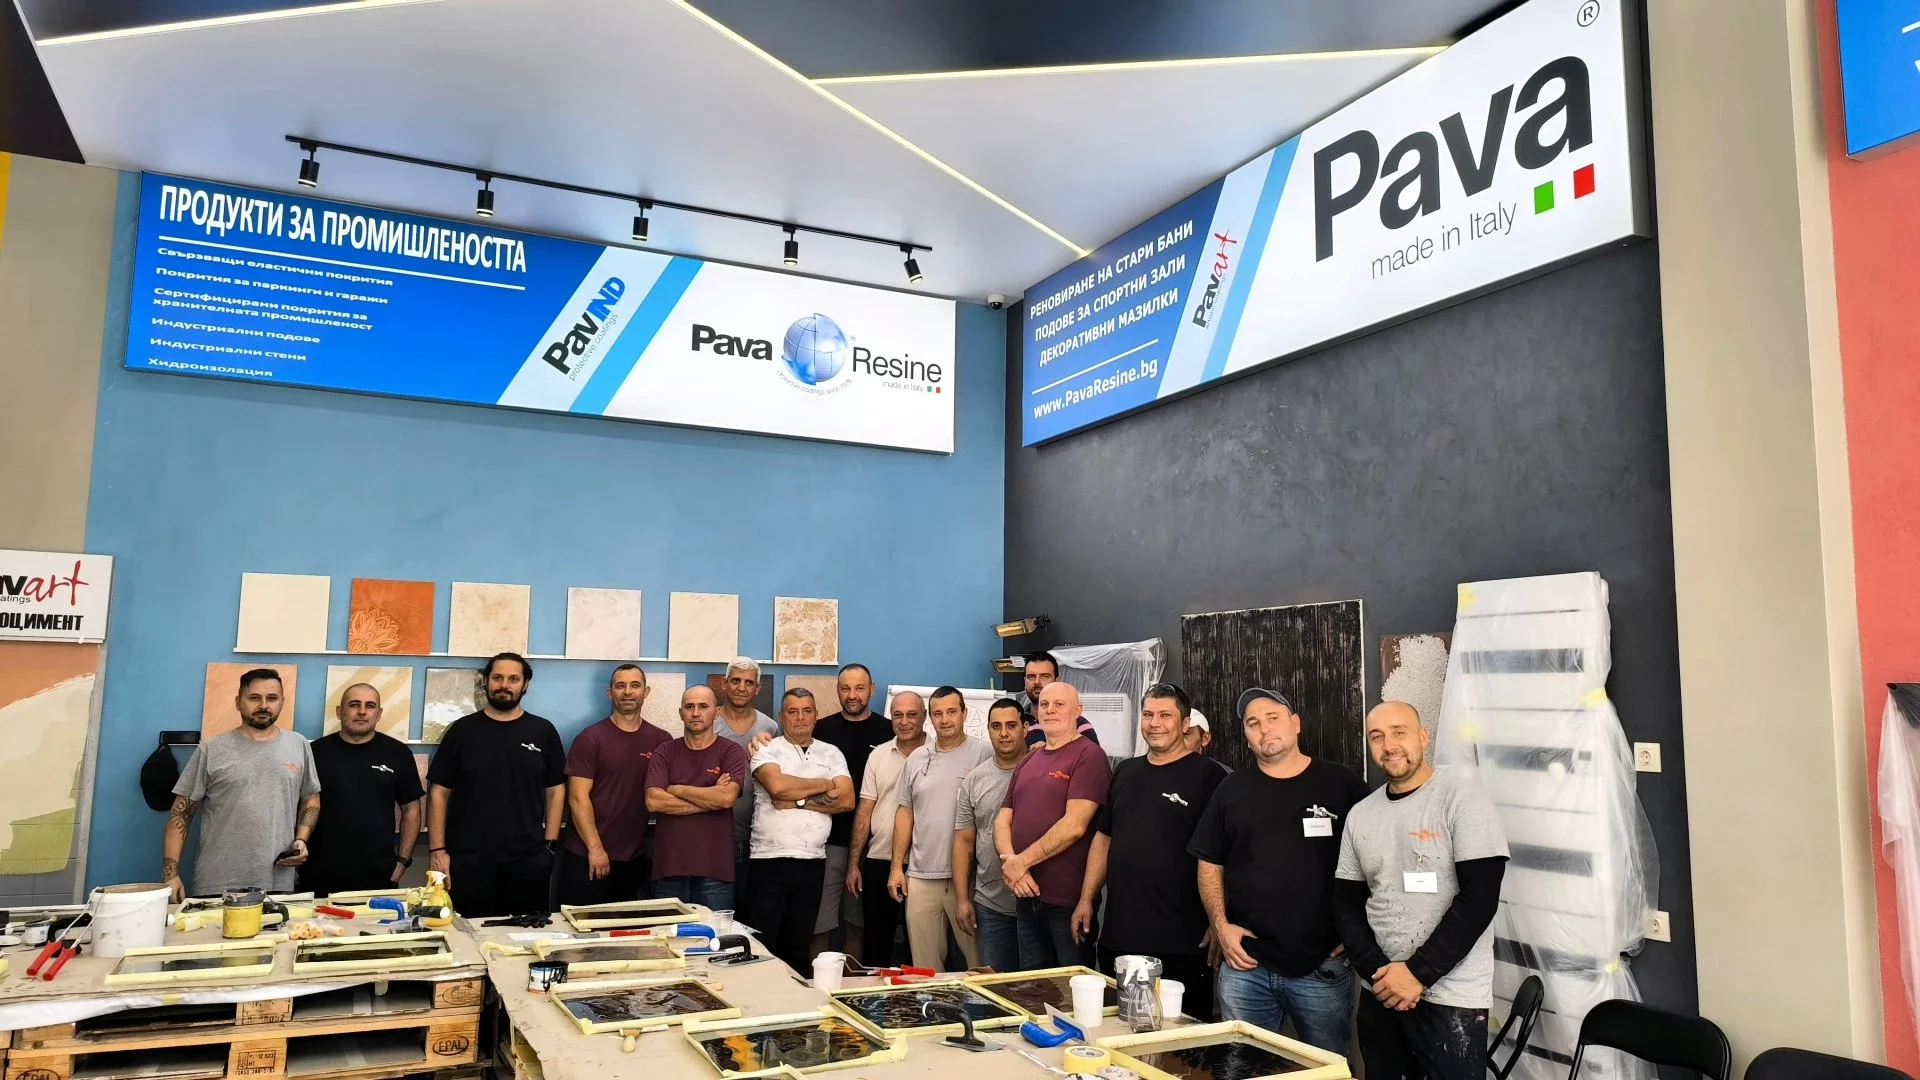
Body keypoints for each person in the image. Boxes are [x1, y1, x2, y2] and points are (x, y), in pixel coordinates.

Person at [1336, 701, 1509, 1080]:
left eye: (1399, 732)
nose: (1389, 745)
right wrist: (1379, 973)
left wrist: (1417, 974)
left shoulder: (1463, 800)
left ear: (1423, 736)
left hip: (1451, 998)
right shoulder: (1361, 815)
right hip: (1380, 992)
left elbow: (1479, 900)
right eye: (1377, 737)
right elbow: (1346, 904)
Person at [1190, 687, 1369, 1046]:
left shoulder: (1341, 784)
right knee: (1245, 1065)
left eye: (1273, 718)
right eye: (1253, 723)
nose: (1264, 728)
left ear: (1296, 723)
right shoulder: (1231, 789)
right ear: (1246, 735)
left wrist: (1359, 933)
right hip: (1246, 964)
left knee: (1324, 1067)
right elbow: (1209, 862)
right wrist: (1220, 925)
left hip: (1322, 965)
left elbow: (1376, 858)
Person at [1076, 683, 1227, 1019]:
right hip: (1122, 936)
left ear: (1185, 724)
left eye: (1165, 715)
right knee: (1123, 1028)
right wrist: (1087, 898)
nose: (1155, 723)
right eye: (1148, 714)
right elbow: (1104, 838)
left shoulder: (1211, 777)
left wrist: (1219, 919)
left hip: (1184, 941)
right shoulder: (1125, 772)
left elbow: (1226, 854)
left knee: (1183, 1036)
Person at [426, 653, 566, 917]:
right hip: (468, 859)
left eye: (513, 679)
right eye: (498, 678)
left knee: (524, 936)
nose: (504, 685)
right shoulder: (462, 731)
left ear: (525, 685)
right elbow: (438, 792)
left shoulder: (543, 731)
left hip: (527, 859)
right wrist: (437, 850)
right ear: (486, 682)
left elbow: (556, 790)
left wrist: (549, 846)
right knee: (466, 934)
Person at [163, 668, 320, 900]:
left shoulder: (299, 744)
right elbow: (181, 813)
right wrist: (170, 875)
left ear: (282, 702)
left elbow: (311, 796)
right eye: (254, 698)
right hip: (217, 883)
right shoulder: (211, 749)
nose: (264, 705)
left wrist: (301, 838)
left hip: (278, 881)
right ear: (238, 702)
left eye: (272, 698)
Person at [997, 681, 1112, 968]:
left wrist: (1020, 862)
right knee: (1033, 985)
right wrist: (1011, 862)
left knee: (1072, 987)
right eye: (1045, 705)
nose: (1050, 710)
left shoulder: (1089, 756)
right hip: (1026, 895)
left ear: (1078, 711)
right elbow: (1003, 817)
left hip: (1067, 902)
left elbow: (1075, 825)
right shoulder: (1029, 759)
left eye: (1059, 704)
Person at [747, 689, 853, 972]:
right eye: (792, 712)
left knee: (799, 944)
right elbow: (777, 787)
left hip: (813, 862)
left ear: (816, 715)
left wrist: (799, 801)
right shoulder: (766, 748)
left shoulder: (831, 753)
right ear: (781, 717)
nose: (800, 717)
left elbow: (846, 799)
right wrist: (825, 784)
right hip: (768, 860)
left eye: (807, 710)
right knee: (764, 945)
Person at [890, 686, 992, 970]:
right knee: (925, 968)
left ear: (964, 713)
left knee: (980, 964)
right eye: (938, 713)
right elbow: (905, 813)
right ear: (929, 718)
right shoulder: (917, 759)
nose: (945, 720)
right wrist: (896, 867)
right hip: (922, 876)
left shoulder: (985, 753)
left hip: (969, 878)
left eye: (951, 712)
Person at [562, 664, 673, 906]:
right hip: (587, 855)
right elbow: (578, 798)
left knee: (625, 928)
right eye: (620, 686)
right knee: (582, 927)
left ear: (646, 692)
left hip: (633, 858)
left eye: (635, 685)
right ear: (609, 693)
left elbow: (668, 791)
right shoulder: (590, 738)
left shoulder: (661, 741)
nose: (628, 692)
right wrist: (595, 849)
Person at [301, 683, 423, 898]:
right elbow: (299, 805)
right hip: (318, 873)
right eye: (354, 705)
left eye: (370, 706)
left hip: (379, 874)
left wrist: (403, 862)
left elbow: (411, 809)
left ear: (379, 713)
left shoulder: (398, 753)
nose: (362, 712)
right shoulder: (314, 753)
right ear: (339, 711)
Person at [812, 663, 892, 955]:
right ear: (837, 690)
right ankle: (818, 980)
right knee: (819, 924)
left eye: (859, 688)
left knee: (857, 924)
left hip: (873, 847)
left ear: (872, 690)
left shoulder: (889, 731)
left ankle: (852, 980)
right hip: (827, 842)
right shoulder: (821, 729)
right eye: (845, 688)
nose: (852, 695)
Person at [647, 684, 748, 910]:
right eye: (689, 707)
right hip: (669, 869)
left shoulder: (730, 751)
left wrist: (675, 788)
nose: (695, 713)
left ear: (716, 712)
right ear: (680, 713)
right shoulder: (664, 751)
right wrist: (712, 797)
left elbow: (727, 798)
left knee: (714, 933)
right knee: (668, 932)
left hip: (716, 871)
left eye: (703, 706)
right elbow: (654, 801)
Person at [846, 690, 927, 966]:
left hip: (924, 865)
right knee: (876, 946)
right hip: (879, 859)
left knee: (920, 951)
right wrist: (854, 864)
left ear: (924, 717)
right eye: (897, 715)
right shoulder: (878, 755)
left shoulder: (938, 753)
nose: (904, 722)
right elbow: (864, 810)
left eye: (911, 715)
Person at [954, 698, 1029, 972]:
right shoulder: (975, 779)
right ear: (988, 730)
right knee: (996, 986)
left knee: (1038, 987)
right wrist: (962, 899)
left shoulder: (1043, 770)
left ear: (1025, 728)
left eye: (1011, 725)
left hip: (1038, 904)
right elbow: (963, 841)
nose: (1004, 733)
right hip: (991, 906)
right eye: (996, 726)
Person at [715, 657, 780, 897]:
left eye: (749, 683)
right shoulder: (708, 722)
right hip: (714, 835)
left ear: (757, 688)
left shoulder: (770, 727)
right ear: (724, 684)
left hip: (757, 837)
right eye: (735, 681)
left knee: (750, 907)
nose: (741, 688)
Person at [1016, 653, 1101, 747]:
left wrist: (1047, 752)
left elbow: (1092, 754)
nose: (1037, 682)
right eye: (1031, 677)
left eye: (1045, 676)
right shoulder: (1016, 722)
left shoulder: (1077, 724)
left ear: (1057, 681)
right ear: (1025, 681)